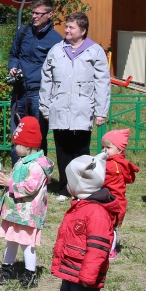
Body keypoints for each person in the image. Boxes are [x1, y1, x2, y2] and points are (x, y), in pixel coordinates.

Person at [44, 151, 120, 291]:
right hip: (70, 269)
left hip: (86, 274)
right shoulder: (80, 205)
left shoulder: (95, 212)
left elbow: (97, 248)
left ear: (80, 185)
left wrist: (89, 275)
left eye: (69, 181)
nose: (66, 185)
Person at [40, 11, 110, 200]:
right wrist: (45, 106)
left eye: (71, 27)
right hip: (59, 106)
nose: (67, 30)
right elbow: (46, 79)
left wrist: (101, 111)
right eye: (67, 26)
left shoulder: (94, 51)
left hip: (82, 107)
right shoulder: (56, 49)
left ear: (83, 30)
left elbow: (102, 83)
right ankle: (65, 188)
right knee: (62, 149)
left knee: (81, 150)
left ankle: (82, 188)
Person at [0, 117, 54, 287]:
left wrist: (9, 183)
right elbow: (16, 179)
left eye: (16, 144)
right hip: (15, 212)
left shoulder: (37, 166)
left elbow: (30, 187)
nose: (14, 147)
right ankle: (7, 268)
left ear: (28, 147)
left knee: (27, 244)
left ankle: (30, 274)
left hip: (27, 213)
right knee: (11, 240)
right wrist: (6, 179)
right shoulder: (22, 161)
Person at [6, 0, 62, 160]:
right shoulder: (23, 32)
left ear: (50, 14)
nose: (34, 16)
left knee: (37, 136)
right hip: (20, 91)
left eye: (39, 13)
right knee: (17, 133)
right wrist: (13, 68)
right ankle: (17, 174)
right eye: (33, 12)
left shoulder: (56, 40)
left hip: (40, 94)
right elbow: (14, 55)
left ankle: (37, 176)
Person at [100, 128, 139, 259]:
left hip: (112, 201)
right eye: (102, 147)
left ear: (120, 150)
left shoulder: (112, 165)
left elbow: (101, 180)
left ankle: (110, 249)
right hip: (114, 200)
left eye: (108, 147)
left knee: (110, 226)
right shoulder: (119, 163)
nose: (104, 150)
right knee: (109, 226)